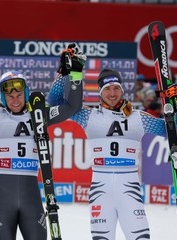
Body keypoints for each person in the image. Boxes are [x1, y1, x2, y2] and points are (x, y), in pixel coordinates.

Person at [0, 45, 85, 240]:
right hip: (3, 200)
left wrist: (75, 73)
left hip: (31, 199)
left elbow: (72, 106)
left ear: (26, 94)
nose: (14, 100)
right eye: (9, 96)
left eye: (18, 95)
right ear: (3, 97)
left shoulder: (39, 114)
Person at [48, 68, 166, 240]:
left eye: (116, 88)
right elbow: (54, 103)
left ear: (122, 90)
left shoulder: (139, 118)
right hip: (101, 191)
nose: (112, 93)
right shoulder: (88, 115)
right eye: (107, 89)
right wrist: (65, 72)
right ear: (100, 93)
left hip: (130, 191)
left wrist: (174, 104)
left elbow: (171, 131)